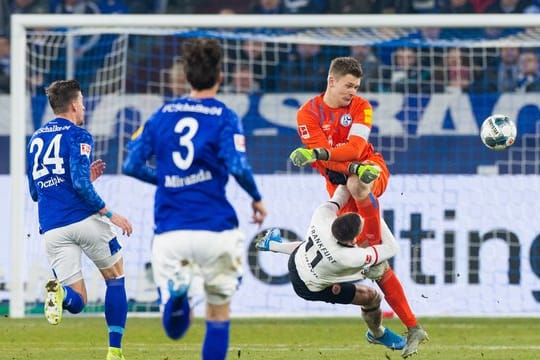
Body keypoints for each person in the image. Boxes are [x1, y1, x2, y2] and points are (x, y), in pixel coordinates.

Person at [122, 37, 267, 360]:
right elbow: (237, 166)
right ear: (220, 76)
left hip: (171, 231)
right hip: (216, 229)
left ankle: (178, 296)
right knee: (218, 313)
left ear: (186, 76)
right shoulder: (225, 116)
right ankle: (184, 297)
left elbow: (130, 164)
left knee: (175, 328)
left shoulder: (161, 115)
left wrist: (168, 180)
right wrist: (256, 198)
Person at [290, 56, 427, 358]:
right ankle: (413, 327)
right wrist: (325, 157)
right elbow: (325, 161)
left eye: (356, 86)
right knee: (377, 268)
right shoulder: (307, 113)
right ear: (331, 81)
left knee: (358, 183)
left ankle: (373, 238)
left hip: (370, 170)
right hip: (338, 188)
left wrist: (323, 155)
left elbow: (350, 149)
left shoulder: (361, 107)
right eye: (348, 86)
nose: (352, 91)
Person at [26, 80, 133, 360]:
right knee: (115, 277)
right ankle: (114, 351)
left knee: (78, 301)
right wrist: (112, 214)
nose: (84, 107)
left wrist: (83, 180)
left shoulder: (35, 139)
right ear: (74, 105)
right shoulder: (78, 135)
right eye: (83, 102)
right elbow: (82, 186)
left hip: (52, 229)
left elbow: (35, 192)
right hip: (84, 220)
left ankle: (60, 294)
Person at [255, 180, 406, 352]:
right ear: (353, 239)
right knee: (371, 296)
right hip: (308, 287)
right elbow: (391, 248)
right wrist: (373, 211)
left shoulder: (321, 217)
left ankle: (273, 245)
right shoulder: (348, 257)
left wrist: (351, 177)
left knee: (308, 246)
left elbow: (340, 194)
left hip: (297, 259)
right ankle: (377, 334)